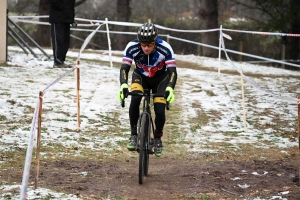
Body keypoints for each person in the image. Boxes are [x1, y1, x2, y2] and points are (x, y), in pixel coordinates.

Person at [118, 22, 177, 157]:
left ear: (155, 42)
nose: (146, 48)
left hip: (160, 79)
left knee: (159, 110)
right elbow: (125, 68)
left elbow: (172, 71)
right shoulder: (132, 47)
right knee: (135, 99)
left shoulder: (165, 48)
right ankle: (133, 135)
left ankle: (157, 138)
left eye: (149, 45)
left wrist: (170, 88)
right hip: (140, 76)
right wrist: (123, 84)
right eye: (143, 45)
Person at [49, 0, 75, 68]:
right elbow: (54, 2)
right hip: (58, 18)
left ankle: (61, 60)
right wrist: (63, 7)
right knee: (58, 40)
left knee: (65, 41)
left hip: (67, 18)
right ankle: (58, 61)